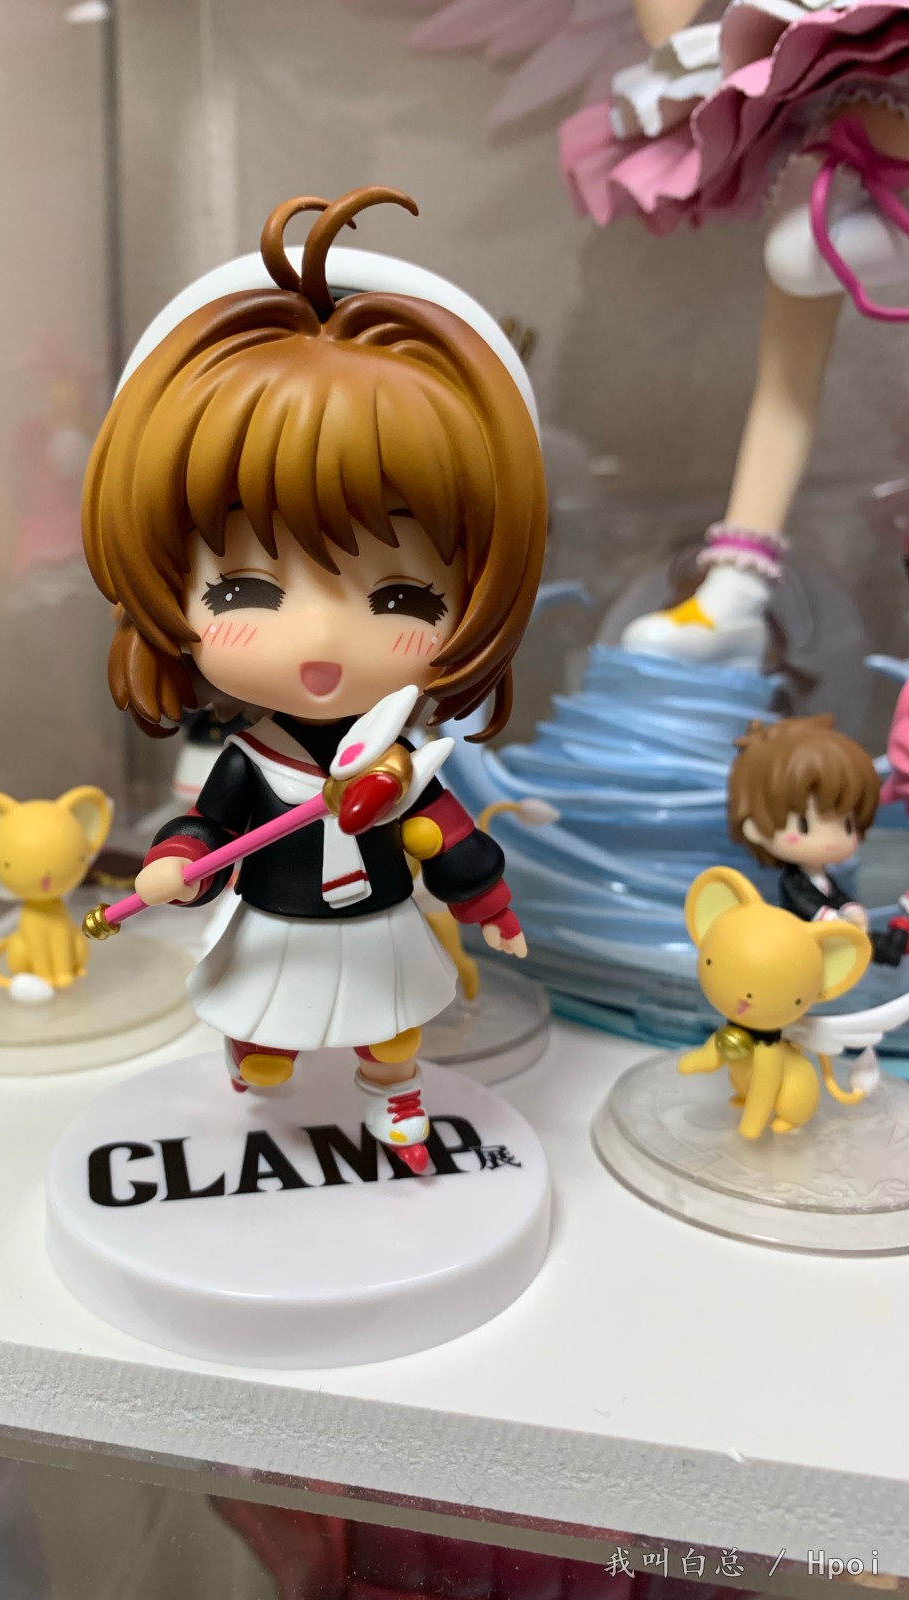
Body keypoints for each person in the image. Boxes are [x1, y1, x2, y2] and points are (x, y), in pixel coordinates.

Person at [82, 185, 547, 1167]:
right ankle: (260, 1061)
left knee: (393, 1034)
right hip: (277, 925)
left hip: (378, 925)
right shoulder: (254, 756)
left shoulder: (402, 761)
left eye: (403, 598)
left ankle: (396, 1105)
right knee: (266, 1029)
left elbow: (447, 835)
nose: (322, 640)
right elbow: (208, 826)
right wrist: (178, 859)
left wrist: (487, 904)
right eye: (246, 589)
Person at [563, 0, 909, 668]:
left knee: (800, 263)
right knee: (793, 299)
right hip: (840, 125)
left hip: (863, 119)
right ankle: (737, 587)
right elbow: (665, 27)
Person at [728, 713, 908, 965]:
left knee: (872, 947)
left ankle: (894, 943)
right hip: (799, 949)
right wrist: (833, 918)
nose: (831, 840)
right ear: (755, 828)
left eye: (847, 825)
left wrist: (851, 909)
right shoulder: (793, 881)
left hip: (826, 950)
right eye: (804, 825)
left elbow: (837, 896)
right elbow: (806, 904)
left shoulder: (822, 879)